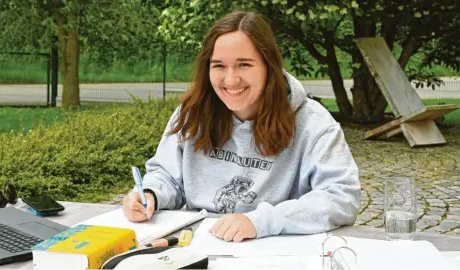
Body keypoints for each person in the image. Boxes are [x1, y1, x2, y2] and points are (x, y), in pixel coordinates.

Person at [122, 11, 360, 243]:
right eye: (218, 66)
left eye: (244, 65)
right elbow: (167, 176)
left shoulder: (313, 123)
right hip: (198, 244)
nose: (231, 79)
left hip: (275, 249)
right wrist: (151, 194)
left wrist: (260, 221)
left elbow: (342, 197)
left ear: (269, 66)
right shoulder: (191, 113)